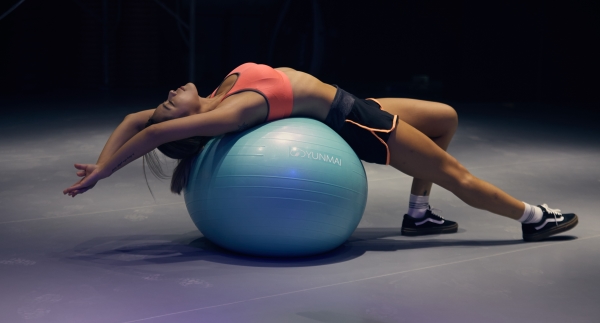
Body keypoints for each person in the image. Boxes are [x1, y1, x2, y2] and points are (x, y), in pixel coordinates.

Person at [63, 62, 578, 241]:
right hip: (354, 121)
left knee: (445, 117)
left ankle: (418, 216)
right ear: (187, 125)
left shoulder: (216, 95)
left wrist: (103, 157)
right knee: (455, 174)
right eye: (168, 105)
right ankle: (532, 217)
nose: (168, 95)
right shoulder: (222, 114)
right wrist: (105, 173)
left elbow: (135, 121)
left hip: (349, 101)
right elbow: (149, 134)